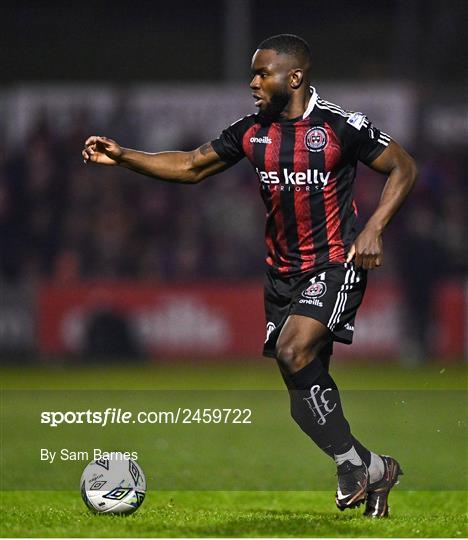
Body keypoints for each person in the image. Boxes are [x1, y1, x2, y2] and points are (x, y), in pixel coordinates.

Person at [82, 34, 417, 517]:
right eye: (253, 73)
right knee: (302, 395)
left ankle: (352, 467)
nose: (253, 82)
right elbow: (193, 165)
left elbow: (403, 167)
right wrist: (124, 156)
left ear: (294, 78)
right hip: (281, 275)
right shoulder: (251, 131)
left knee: (293, 349)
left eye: (263, 73)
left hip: (336, 262)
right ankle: (376, 468)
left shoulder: (341, 126)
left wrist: (374, 229)